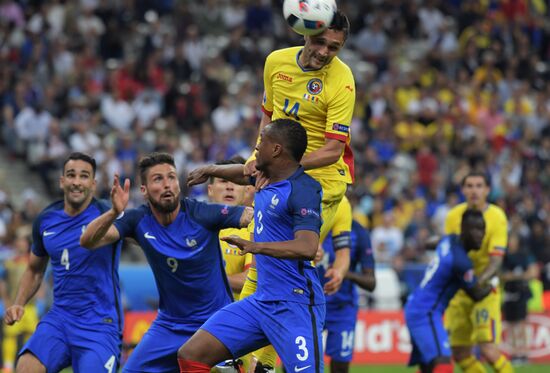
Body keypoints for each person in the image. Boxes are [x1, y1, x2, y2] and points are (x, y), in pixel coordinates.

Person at [80, 152, 253, 372]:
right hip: (169, 326)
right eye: (158, 179)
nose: (167, 184)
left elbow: (251, 215)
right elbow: (88, 240)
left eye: (171, 177)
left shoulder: (203, 214)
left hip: (214, 322)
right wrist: (114, 212)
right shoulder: (138, 220)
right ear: (143, 190)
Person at [179, 118, 324, 372]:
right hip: (261, 302)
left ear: (277, 149)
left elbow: (307, 247)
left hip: (296, 304)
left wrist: (255, 246)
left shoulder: (304, 189)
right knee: (192, 354)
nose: (256, 147)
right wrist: (210, 170)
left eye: (262, 141)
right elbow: (241, 171)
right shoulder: (264, 176)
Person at [3, 152, 124, 373]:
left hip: (99, 324)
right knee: (26, 367)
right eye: (71, 175)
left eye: (84, 176)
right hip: (59, 319)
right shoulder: (45, 220)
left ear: (93, 184)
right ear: (62, 181)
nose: (77, 182)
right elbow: (34, 269)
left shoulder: (108, 213)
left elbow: (140, 235)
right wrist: (19, 302)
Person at [405, 209, 496, 373]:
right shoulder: (461, 262)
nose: (480, 235)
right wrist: (492, 285)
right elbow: (476, 294)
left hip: (417, 305)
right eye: (475, 229)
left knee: (428, 367)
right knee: (444, 363)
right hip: (426, 312)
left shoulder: (449, 240)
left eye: (482, 230)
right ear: (463, 229)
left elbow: (429, 243)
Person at [443, 172, 512, 373]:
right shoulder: (453, 216)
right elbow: (452, 251)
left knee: (488, 350)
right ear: (463, 190)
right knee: (460, 352)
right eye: (470, 186)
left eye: (479, 186)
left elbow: (496, 259)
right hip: (459, 292)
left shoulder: (497, 216)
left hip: (484, 290)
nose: (474, 191)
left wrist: (475, 282)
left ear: (488, 190)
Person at [316, 196, 376, 373]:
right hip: (310, 304)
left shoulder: (359, 232)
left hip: (342, 309)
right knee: (298, 363)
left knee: (340, 368)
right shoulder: (311, 221)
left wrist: (342, 272)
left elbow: (371, 282)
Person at [207, 157, 254, 299]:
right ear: (210, 190)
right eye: (223, 181)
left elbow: (251, 278)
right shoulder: (194, 225)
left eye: (236, 182)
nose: (230, 187)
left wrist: (207, 280)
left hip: (235, 317)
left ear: (246, 190)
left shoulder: (254, 228)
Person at [501, 233, 538, 365]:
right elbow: (503, 275)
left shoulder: (524, 255)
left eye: (514, 240)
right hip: (509, 294)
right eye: (510, 240)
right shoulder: (504, 257)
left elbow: (533, 273)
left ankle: (524, 353)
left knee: (522, 324)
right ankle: (514, 353)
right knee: (510, 325)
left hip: (521, 293)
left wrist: (515, 276)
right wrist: (519, 275)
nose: (512, 243)